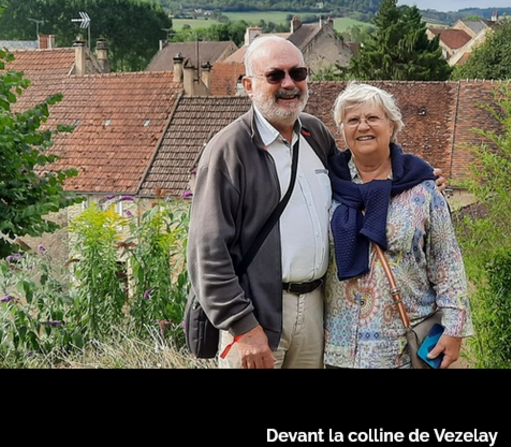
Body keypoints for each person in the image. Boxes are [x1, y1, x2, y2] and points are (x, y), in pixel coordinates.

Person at [187, 36, 445, 369]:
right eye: (275, 75)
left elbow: (360, 180)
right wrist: (242, 327)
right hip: (257, 313)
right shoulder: (228, 151)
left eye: (298, 73)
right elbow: (206, 253)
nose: (289, 84)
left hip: (314, 310)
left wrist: (417, 177)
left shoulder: (314, 133)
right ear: (249, 85)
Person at [325, 82, 473, 369]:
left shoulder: (422, 187)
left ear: (392, 127)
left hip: (404, 346)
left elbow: (447, 261)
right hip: (338, 347)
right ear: (341, 131)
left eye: (372, 118)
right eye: (352, 120)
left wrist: (455, 329)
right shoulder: (325, 184)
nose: (363, 126)